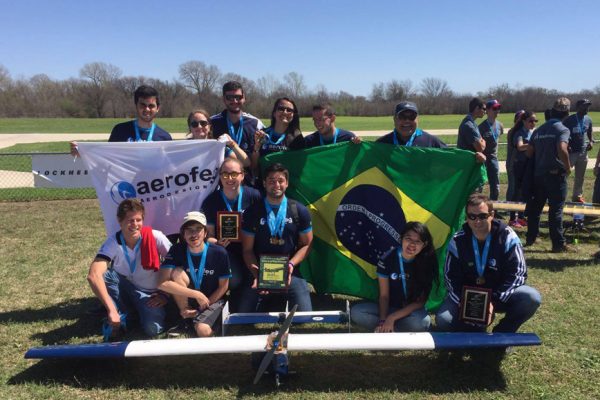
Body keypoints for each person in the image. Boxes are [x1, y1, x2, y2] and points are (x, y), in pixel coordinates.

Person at [436, 194, 541, 333]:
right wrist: (464, 301)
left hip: (499, 294)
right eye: (472, 216)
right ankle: (474, 329)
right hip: (469, 297)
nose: (477, 221)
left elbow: (518, 274)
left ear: (492, 215)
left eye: (482, 216)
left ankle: (503, 333)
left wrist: (492, 301)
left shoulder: (507, 236)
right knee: (444, 320)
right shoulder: (458, 240)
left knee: (531, 297)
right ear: (467, 217)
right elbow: (450, 276)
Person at [86, 199, 172, 338]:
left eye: (138, 220)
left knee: (153, 329)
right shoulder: (113, 241)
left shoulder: (156, 237)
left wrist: (165, 294)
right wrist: (111, 309)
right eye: (130, 220)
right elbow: (93, 275)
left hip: (150, 294)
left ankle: (128, 316)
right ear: (120, 221)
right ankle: (117, 312)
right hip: (126, 288)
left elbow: (177, 265)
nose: (135, 224)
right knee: (106, 275)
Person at [241, 163, 313, 312]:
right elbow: (247, 250)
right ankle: (270, 298)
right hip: (259, 269)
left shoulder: (299, 210)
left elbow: (307, 244)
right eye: (272, 181)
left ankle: (277, 297)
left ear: (287, 183)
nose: (276, 185)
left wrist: (291, 265)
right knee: (243, 313)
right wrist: (257, 274)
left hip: (289, 270)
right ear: (264, 183)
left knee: (305, 314)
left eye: (280, 180)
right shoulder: (252, 212)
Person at [351, 222, 437, 332]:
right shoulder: (387, 258)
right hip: (389, 308)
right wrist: (383, 320)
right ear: (401, 239)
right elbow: (384, 296)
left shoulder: (427, 262)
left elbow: (420, 302)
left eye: (417, 241)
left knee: (422, 322)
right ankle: (388, 328)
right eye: (408, 239)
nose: (412, 244)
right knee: (357, 312)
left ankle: (389, 328)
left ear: (424, 245)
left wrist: (392, 318)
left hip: (410, 312)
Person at [201, 158, 262, 311]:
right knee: (235, 279)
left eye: (234, 174)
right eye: (225, 174)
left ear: (242, 175)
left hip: (252, 251)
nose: (229, 178)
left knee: (246, 306)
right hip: (227, 252)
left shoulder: (255, 196)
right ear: (220, 176)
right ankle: (230, 290)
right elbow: (208, 236)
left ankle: (247, 294)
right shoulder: (211, 201)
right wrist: (217, 242)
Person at [158, 211, 231, 337]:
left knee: (203, 331)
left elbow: (223, 287)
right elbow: (162, 283)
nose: (193, 234)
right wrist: (196, 294)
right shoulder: (176, 249)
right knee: (177, 272)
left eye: (198, 229)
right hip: (188, 299)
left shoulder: (219, 252)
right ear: (183, 234)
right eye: (189, 230)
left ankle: (199, 322)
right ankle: (185, 314)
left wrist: (203, 305)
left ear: (205, 233)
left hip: (213, 300)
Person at [525, 97, 573, 252]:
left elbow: (529, 152)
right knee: (556, 210)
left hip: (538, 175)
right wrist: (568, 167)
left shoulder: (538, 130)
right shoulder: (563, 129)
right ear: (567, 113)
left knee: (536, 209)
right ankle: (558, 244)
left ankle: (531, 238)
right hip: (555, 176)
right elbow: (562, 148)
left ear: (552, 112)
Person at [70, 85, 171, 155]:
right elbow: (106, 157)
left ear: (158, 108)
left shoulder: (164, 137)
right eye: (143, 105)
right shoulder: (120, 130)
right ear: (136, 105)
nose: (147, 109)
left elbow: (171, 169)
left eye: (151, 106)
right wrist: (83, 152)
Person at [252, 97, 305, 177]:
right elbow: (253, 166)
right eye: (281, 109)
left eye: (289, 110)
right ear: (274, 113)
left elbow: (300, 167)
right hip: (264, 182)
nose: (285, 112)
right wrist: (256, 147)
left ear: (293, 115)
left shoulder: (297, 139)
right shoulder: (262, 134)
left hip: (285, 183)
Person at [210, 81, 265, 157]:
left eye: (238, 97)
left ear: (244, 98)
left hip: (248, 164)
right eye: (230, 97)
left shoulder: (256, 123)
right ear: (223, 99)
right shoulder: (212, 122)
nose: (235, 101)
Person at [376, 101, 447, 148]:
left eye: (412, 116)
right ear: (394, 119)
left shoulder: (431, 142)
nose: (407, 120)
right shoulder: (381, 144)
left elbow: (450, 159)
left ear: (417, 119)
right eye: (402, 116)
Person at [511, 111, 538, 228]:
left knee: (526, 192)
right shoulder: (519, 133)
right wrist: (533, 143)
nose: (533, 123)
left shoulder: (533, 132)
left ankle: (521, 217)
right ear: (523, 121)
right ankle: (513, 218)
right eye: (531, 121)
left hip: (529, 165)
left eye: (535, 121)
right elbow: (520, 146)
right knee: (517, 192)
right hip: (520, 166)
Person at [563, 99, 594, 202]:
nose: (587, 108)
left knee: (580, 176)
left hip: (583, 152)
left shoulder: (588, 119)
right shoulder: (569, 120)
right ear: (578, 107)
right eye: (584, 106)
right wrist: (567, 145)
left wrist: (591, 142)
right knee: (564, 174)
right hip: (571, 153)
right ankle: (558, 194)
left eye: (588, 106)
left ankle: (577, 196)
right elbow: (563, 134)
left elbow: (590, 132)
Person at [478, 100, 504, 200]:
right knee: (480, 186)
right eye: (495, 108)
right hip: (483, 160)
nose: (497, 111)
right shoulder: (481, 127)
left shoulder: (500, 125)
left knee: (496, 187)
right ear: (487, 110)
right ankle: (477, 206)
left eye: (498, 108)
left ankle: (493, 206)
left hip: (493, 159)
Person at [506, 110, 526, 227]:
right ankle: (512, 215)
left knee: (522, 191)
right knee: (514, 189)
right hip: (513, 163)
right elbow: (518, 147)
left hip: (523, 165)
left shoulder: (525, 131)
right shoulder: (514, 132)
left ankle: (521, 216)